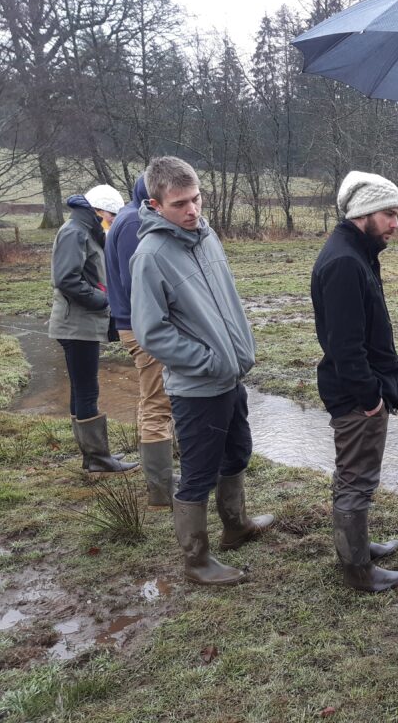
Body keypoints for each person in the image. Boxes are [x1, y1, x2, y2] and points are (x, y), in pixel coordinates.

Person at [131, 156, 275, 586]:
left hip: (231, 378)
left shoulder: (206, 237)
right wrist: (208, 361)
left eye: (195, 199)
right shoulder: (151, 255)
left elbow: (225, 303)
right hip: (197, 388)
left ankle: (236, 525)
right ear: (156, 205)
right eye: (179, 204)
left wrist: (237, 352)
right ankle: (196, 560)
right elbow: (151, 332)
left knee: (237, 452)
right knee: (197, 474)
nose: (192, 210)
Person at [310, 171, 398, 593]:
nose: (395, 224)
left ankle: (359, 546)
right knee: (356, 478)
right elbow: (345, 346)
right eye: (389, 214)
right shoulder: (344, 263)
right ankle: (357, 570)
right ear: (364, 212)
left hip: (361, 392)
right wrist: (370, 397)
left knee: (357, 474)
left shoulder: (357, 252)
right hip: (356, 397)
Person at [49, 184, 138, 478]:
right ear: (97, 210)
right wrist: (106, 301)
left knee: (81, 388)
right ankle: (98, 458)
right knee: (88, 389)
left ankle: (93, 455)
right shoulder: (75, 232)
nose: (112, 220)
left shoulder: (85, 230)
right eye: (110, 215)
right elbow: (66, 279)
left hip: (83, 323)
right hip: (77, 325)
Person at [105, 173, 177, 508]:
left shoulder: (125, 215)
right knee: (158, 404)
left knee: (152, 399)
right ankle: (162, 489)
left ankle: (161, 477)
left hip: (134, 324)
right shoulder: (135, 221)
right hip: (142, 327)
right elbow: (138, 284)